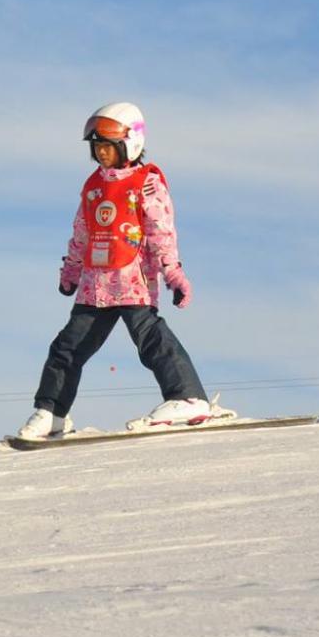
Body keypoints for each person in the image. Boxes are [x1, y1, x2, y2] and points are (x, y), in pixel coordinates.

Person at [17, 102, 232, 439]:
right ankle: (52, 412)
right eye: (97, 148)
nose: (101, 154)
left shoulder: (146, 183)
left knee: (150, 339)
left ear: (129, 143)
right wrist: (71, 272)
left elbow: (162, 232)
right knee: (66, 347)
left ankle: (188, 398)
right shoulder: (93, 187)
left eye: (107, 147)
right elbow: (81, 233)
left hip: (132, 281)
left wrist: (173, 273)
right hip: (95, 285)